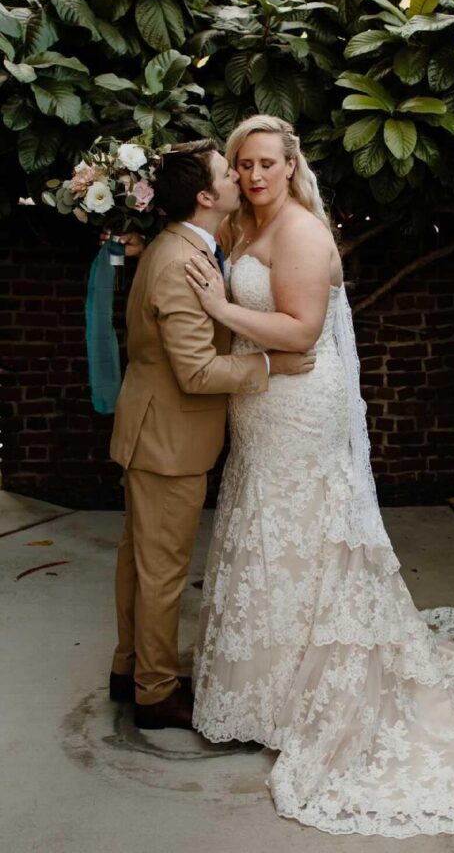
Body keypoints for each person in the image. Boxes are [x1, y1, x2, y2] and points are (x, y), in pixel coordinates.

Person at [183, 114, 454, 838]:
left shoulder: (300, 233)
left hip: (298, 402)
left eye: (268, 163)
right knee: (264, 525)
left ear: (292, 167)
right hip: (260, 404)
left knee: (302, 528)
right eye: (244, 164)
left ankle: (315, 688)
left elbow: (299, 331)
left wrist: (218, 305)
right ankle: (268, 688)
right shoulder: (244, 229)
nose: (255, 175)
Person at [108, 139, 315, 731]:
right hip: (167, 441)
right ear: (206, 196)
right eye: (229, 172)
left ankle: (129, 669)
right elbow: (197, 373)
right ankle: (154, 693)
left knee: (139, 562)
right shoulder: (179, 263)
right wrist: (272, 365)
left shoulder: (187, 245)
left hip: (154, 431)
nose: (240, 177)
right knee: (161, 571)